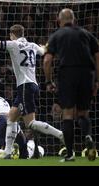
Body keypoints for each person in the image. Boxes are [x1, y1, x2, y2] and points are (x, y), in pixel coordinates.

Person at [0, 24, 64, 159]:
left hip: (25, 86)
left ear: (12, 34)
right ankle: (8, 152)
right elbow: (45, 50)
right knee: (11, 118)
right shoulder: (33, 45)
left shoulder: (13, 44)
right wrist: (46, 45)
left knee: (30, 123)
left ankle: (60, 134)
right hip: (32, 85)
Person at [43, 8, 99, 162]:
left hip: (67, 74)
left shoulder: (57, 35)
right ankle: (88, 137)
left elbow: (47, 61)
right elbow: (97, 56)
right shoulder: (87, 34)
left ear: (59, 20)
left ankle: (69, 154)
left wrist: (48, 81)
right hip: (87, 74)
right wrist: (97, 80)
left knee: (67, 113)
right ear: (73, 20)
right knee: (83, 113)